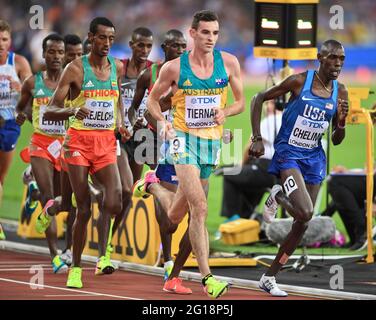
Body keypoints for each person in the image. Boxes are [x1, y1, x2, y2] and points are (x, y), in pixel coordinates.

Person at [145, 10, 245, 299]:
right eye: (205, 32)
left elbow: (240, 101)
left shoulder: (228, 64)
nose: (210, 38)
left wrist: (224, 111)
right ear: (192, 33)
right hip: (181, 140)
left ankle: (151, 185)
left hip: (210, 144)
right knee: (199, 207)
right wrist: (162, 122)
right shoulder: (174, 69)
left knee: (176, 215)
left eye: (215, 33)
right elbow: (153, 101)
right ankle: (208, 278)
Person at [249, 39, 349, 297]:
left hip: (315, 157)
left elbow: (337, 140)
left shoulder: (341, 91)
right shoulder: (298, 81)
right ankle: (277, 195)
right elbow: (258, 98)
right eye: (332, 58)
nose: (337, 63)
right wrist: (257, 138)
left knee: (302, 224)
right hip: (289, 153)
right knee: (305, 212)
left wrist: (342, 122)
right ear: (320, 57)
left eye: (341, 59)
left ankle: (269, 277)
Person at [43, 17, 129, 288]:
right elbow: (50, 110)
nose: (107, 44)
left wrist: (120, 122)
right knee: (83, 208)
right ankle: (76, 268)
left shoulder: (116, 67)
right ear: (91, 38)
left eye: (111, 39)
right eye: (102, 38)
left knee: (115, 200)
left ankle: (104, 254)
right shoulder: (75, 69)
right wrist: (72, 110)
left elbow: (116, 102)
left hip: (105, 143)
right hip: (78, 143)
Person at [133, 29, 192, 294]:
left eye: (183, 46)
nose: (180, 50)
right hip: (152, 138)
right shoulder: (151, 73)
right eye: (175, 46)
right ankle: (168, 258)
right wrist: (133, 124)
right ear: (165, 47)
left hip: (181, 140)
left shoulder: (189, 72)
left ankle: (170, 257)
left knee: (181, 200)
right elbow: (141, 107)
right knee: (164, 199)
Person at [15, 33, 68, 273]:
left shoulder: (71, 82)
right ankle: (55, 256)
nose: (56, 56)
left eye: (60, 52)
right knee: (49, 198)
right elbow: (22, 106)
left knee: (59, 200)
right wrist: (23, 115)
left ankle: (32, 191)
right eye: (52, 52)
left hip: (64, 146)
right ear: (44, 54)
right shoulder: (33, 83)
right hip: (40, 144)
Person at [105, 27, 154, 255]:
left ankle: (112, 236)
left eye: (149, 46)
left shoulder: (154, 72)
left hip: (142, 137)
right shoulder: (119, 68)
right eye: (140, 45)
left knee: (132, 190)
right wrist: (119, 123)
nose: (145, 50)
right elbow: (112, 98)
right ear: (131, 45)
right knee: (124, 188)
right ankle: (107, 239)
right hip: (118, 135)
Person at [218, 100, 282, 220]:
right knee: (247, 174)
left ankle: (233, 219)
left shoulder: (267, 122)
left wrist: (240, 165)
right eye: (267, 103)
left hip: (265, 170)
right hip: (282, 173)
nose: (267, 107)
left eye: (271, 103)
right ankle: (247, 215)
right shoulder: (288, 119)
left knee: (229, 173)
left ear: (278, 105)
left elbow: (249, 147)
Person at [0, 19, 32, 222]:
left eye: (4, 39)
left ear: (10, 40)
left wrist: (20, 87)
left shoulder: (18, 62)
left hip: (10, 125)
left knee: (1, 176)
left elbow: (35, 90)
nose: (0, 44)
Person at [59, 34, 83, 265]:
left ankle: (70, 250)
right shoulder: (58, 79)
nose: (75, 58)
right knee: (67, 203)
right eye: (70, 54)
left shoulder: (85, 74)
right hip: (60, 144)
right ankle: (41, 199)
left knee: (78, 201)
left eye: (79, 54)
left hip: (83, 146)